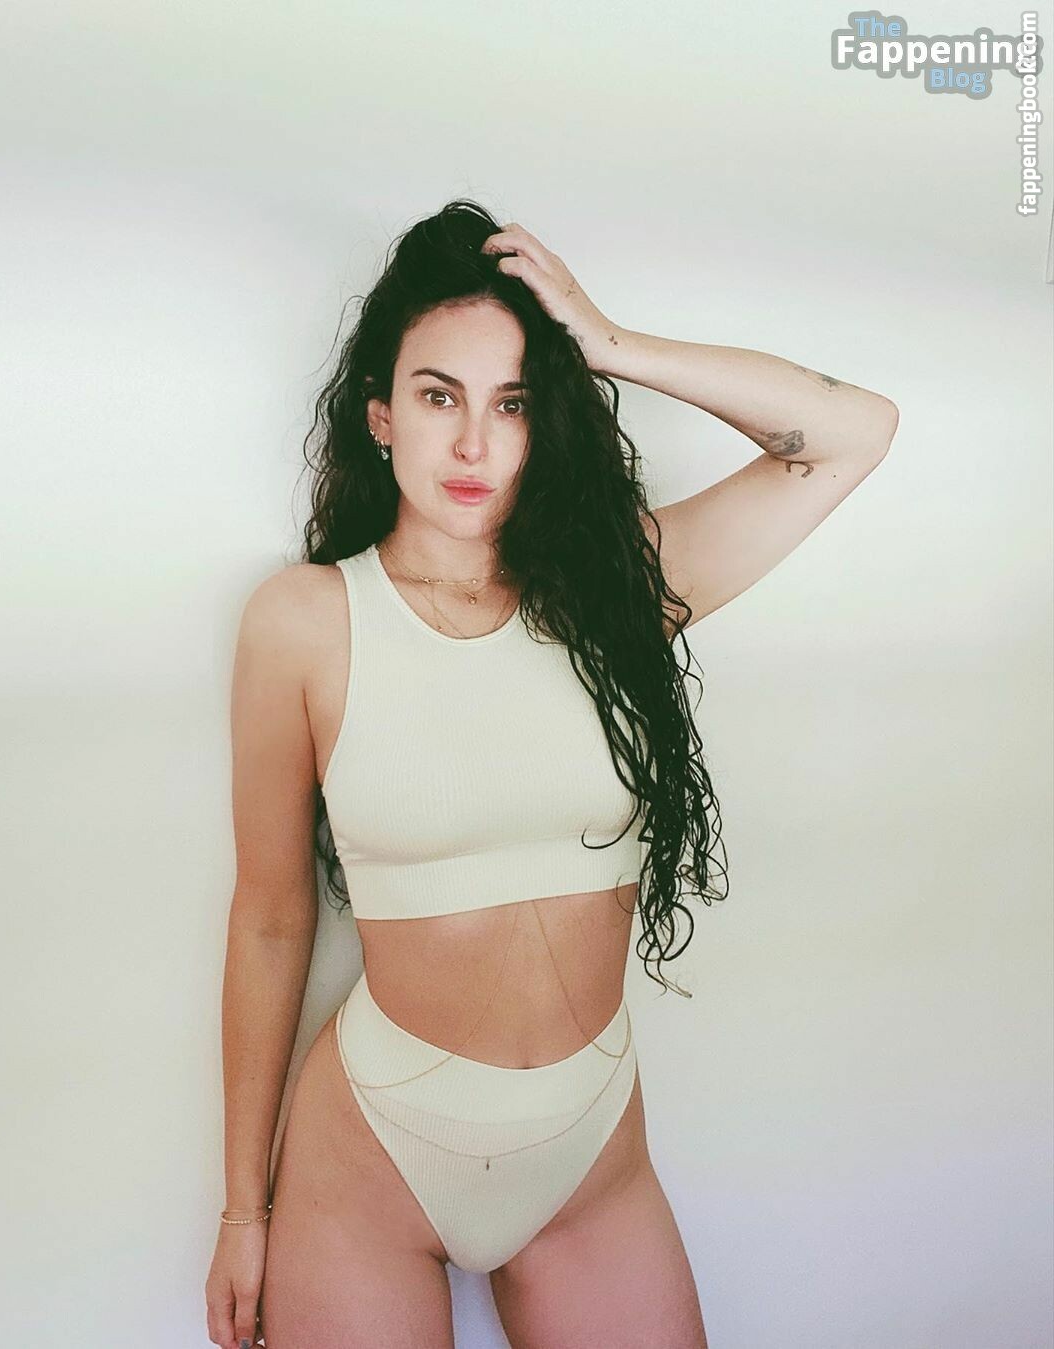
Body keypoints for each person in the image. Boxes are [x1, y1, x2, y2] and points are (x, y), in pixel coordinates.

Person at [204, 199, 899, 1349]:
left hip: (590, 1161)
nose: (475, 444)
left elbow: (853, 432)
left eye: (515, 402)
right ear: (381, 415)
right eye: (440, 397)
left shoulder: (620, 589)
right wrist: (243, 1209)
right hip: (374, 1159)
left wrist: (612, 342)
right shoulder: (305, 621)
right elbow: (272, 917)